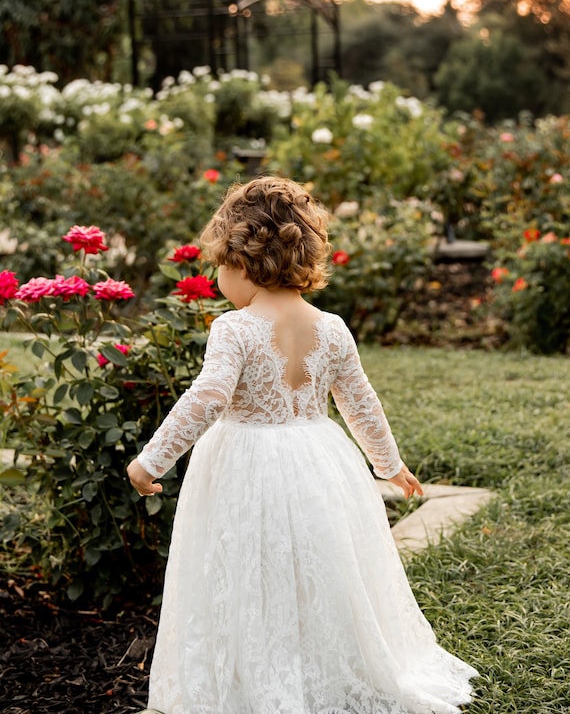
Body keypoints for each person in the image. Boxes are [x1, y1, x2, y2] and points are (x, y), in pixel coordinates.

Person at [127, 176, 478, 714]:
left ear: (242, 260)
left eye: (219, 266)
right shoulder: (332, 327)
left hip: (245, 463)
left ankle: (257, 676)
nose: (218, 278)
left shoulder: (235, 329)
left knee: (250, 568)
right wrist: (389, 465)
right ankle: (317, 668)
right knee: (316, 568)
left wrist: (152, 459)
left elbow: (209, 396)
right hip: (318, 459)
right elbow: (361, 403)